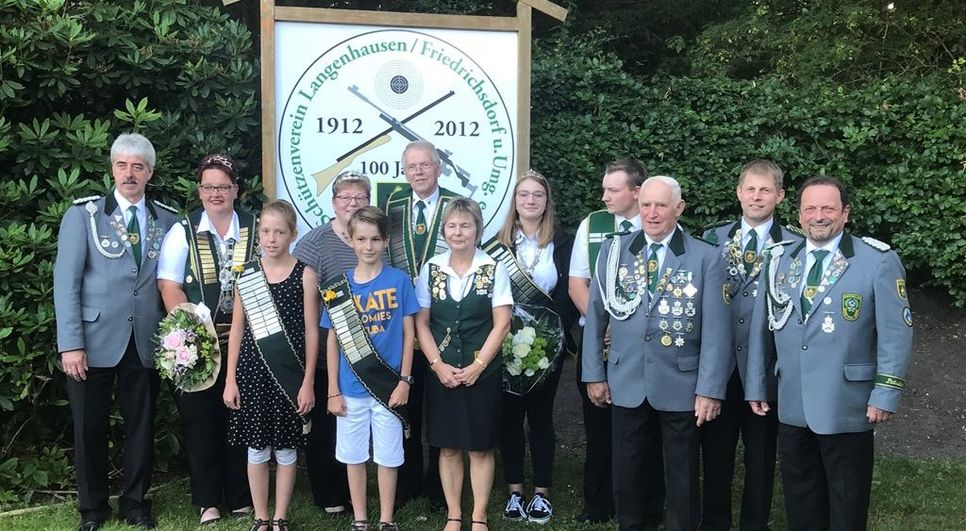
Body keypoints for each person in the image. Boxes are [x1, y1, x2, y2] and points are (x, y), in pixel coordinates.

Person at [745, 176, 913, 531]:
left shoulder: (876, 260)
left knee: (846, 503)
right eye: (810, 208)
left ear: (845, 213)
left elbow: (896, 332)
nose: (818, 216)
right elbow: (763, 327)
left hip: (846, 403)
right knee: (800, 499)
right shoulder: (780, 259)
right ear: (799, 213)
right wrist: (757, 386)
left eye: (827, 208)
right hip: (792, 402)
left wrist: (885, 392)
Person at [583, 175, 732, 531]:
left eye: (661, 205)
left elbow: (716, 331)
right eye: (646, 205)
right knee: (628, 470)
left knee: (682, 472)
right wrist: (594, 374)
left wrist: (710, 389)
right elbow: (595, 316)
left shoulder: (705, 257)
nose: (651, 213)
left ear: (678, 209)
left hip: (681, 382)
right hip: (627, 378)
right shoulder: (614, 250)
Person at [54, 133, 177, 531]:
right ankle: (92, 511)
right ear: (112, 169)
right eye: (122, 165)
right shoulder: (84, 215)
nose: (130, 173)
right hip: (91, 343)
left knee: (140, 428)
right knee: (89, 428)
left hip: (145, 341)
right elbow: (66, 283)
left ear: (150, 172)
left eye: (138, 166)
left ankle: (136, 505)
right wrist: (70, 343)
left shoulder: (167, 220)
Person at [699, 160, 801, 531]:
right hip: (720, 369)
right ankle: (714, 523)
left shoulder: (795, 245)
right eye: (750, 189)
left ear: (780, 196)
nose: (757, 196)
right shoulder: (712, 240)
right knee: (715, 454)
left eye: (765, 190)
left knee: (761, 456)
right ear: (739, 192)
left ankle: (755, 524)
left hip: (766, 369)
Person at [156, 153, 255, 524]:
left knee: (241, 418)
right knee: (201, 422)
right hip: (199, 341)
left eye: (224, 187)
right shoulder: (183, 230)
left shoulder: (255, 224)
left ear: (236, 190)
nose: (216, 193)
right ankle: (208, 500)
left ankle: (242, 496)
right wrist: (192, 334)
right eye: (209, 187)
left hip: (247, 340)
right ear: (199, 190)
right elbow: (169, 285)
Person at [568, 159, 663, 524]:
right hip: (598, 339)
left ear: (636, 192)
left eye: (612, 189)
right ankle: (598, 503)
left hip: (640, 346)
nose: (604, 195)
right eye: (605, 188)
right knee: (598, 424)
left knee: (645, 427)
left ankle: (647, 502)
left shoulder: (658, 223)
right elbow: (578, 281)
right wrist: (600, 323)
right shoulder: (592, 225)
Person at [482, 170, 577, 525]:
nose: (531, 201)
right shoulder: (497, 246)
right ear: (515, 201)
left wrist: (551, 335)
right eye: (524, 195)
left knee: (540, 419)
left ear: (546, 201)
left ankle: (541, 494)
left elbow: (569, 293)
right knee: (509, 419)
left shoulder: (563, 244)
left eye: (538, 195)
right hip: (505, 344)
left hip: (547, 348)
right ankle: (514, 492)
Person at [414, 198, 513, 531]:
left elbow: (502, 323)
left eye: (465, 225)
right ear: (444, 231)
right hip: (442, 372)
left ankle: (479, 516)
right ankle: (454, 514)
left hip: (481, 373)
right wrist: (437, 365)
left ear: (477, 230)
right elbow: (422, 323)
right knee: (449, 447)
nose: (458, 232)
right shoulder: (432, 268)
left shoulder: (494, 267)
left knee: (480, 447)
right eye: (452, 226)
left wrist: (478, 365)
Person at [321, 206, 421, 531]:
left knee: (389, 456)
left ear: (385, 241)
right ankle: (361, 518)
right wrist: (333, 390)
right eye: (361, 239)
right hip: (350, 389)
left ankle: (387, 519)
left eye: (375, 239)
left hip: (388, 386)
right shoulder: (338, 287)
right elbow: (332, 341)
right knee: (353, 456)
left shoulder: (400, 280)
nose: (368, 246)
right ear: (350, 241)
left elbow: (409, 335)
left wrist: (405, 380)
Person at [223, 200, 319, 531]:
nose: (271, 238)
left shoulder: (305, 274)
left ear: (292, 234)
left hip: (289, 375)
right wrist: (230, 380)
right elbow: (237, 328)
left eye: (279, 232)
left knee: (287, 446)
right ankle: (260, 516)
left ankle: (280, 516)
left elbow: (310, 332)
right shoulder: (246, 275)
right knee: (257, 445)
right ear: (258, 235)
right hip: (251, 372)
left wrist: (307, 382)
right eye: (265, 231)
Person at [293, 171, 374, 516]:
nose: (352, 204)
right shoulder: (314, 243)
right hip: (329, 353)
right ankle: (328, 493)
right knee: (326, 425)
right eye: (345, 197)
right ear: (334, 202)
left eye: (359, 198)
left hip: (368, 354)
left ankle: (354, 491)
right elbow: (307, 309)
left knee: (355, 424)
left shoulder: (372, 236)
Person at [384, 140, 459, 506]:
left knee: (442, 405)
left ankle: (439, 485)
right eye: (412, 166)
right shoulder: (393, 207)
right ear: (404, 171)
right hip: (401, 320)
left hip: (444, 319)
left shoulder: (455, 206)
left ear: (438, 167)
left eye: (425, 165)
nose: (419, 172)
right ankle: (407, 479)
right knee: (405, 403)